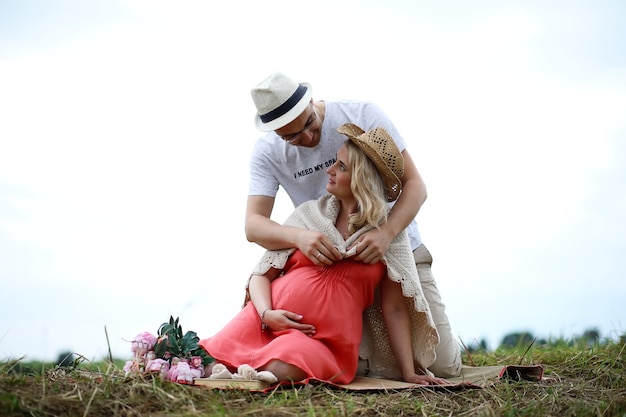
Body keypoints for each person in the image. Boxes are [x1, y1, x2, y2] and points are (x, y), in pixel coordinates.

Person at [244, 72, 461, 378]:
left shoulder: (361, 114)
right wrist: (301, 237)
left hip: (398, 250)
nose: (307, 139)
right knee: (347, 362)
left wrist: (385, 234)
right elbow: (253, 226)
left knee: (442, 368)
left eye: (308, 124)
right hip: (332, 269)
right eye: (291, 137)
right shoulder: (267, 153)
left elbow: (416, 186)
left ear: (310, 100)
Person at [200, 124, 448, 385]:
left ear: (361, 180)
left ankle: (251, 369)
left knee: (282, 368)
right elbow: (261, 275)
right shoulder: (309, 215)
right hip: (264, 321)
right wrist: (266, 314)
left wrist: (408, 372)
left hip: (321, 340)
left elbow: (395, 308)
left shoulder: (386, 236)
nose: (329, 170)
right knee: (206, 362)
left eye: (341, 166)